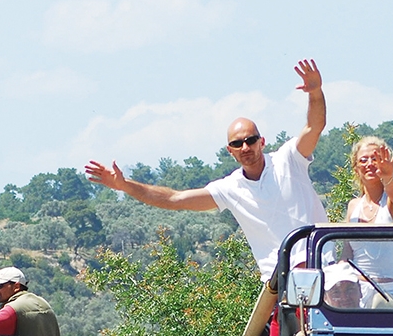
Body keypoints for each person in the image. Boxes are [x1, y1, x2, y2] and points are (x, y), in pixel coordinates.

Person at [84, 59, 329, 282]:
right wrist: (125, 186)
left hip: (323, 267)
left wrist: (315, 92)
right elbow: (174, 199)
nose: (245, 147)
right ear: (229, 150)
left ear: (262, 142)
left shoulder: (289, 159)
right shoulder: (230, 189)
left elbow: (314, 126)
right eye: (237, 143)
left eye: (251, 140)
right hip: (282, 283)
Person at [343, 137, 393, 307]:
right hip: (358, 292)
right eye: (363, 160)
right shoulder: (353, 206)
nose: (369, 164)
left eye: (375, 159)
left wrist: (388, 176)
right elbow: (346, 254)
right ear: (356, 168)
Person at [266, 263, 361, 336]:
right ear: (325, 297)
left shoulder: (378, 324)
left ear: (360, 292)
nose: (344, 297)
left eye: (350, 289)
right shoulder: (315, 333)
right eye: (336, 292)